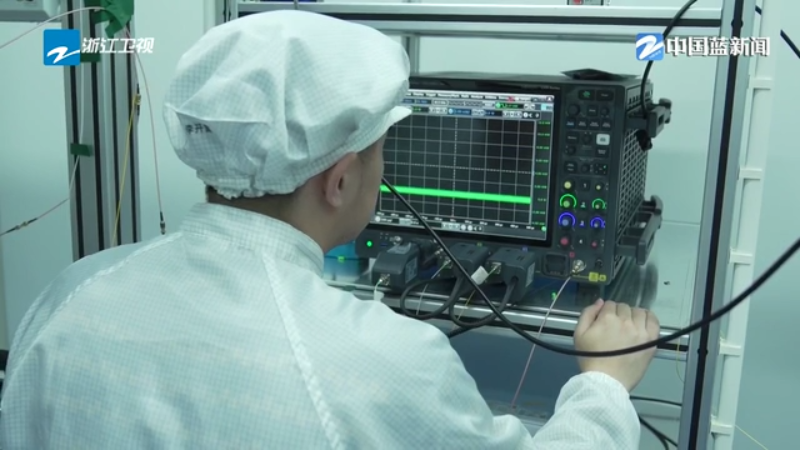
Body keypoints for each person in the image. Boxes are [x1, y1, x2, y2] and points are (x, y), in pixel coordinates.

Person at [0, 10, 661, 449]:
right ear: (339, 181)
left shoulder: (73, 291)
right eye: (381, 151)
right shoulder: (381, 363)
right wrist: (604, 383)